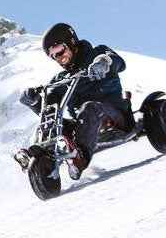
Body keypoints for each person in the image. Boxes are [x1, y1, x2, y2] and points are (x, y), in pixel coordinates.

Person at [17, 22, 130, 179]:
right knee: (52, 123)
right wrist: (35, 101)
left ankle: (79, 158)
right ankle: (41, 158)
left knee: (89, 108)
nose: (58, 58)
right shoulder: (61, 79)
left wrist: (103, 63)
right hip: (82, 128)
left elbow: (116, 61)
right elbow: (49, 108)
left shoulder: (97, 54)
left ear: (71, 42)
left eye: (58, 50)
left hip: (115, 116)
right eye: (52, 55)